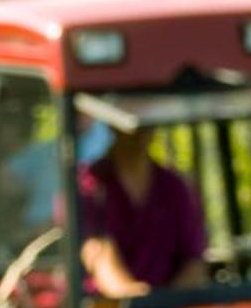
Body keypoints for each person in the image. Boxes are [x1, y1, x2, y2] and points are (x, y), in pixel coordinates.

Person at [78, 125, 208, 297]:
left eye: (147, 127)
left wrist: (167, 304)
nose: (139, 134)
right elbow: (97, 253)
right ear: (112, 127)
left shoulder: (175, 188)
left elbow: (194, 262)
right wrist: (137, 300)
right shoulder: (88, 186)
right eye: (132, 127)